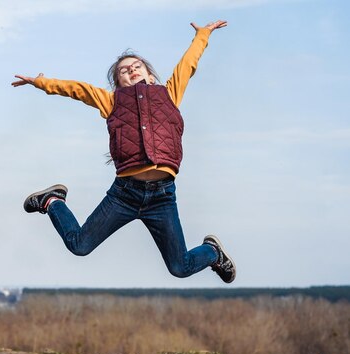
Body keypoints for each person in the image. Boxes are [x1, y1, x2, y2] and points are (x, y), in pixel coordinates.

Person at [12, 20, 236, 283]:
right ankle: (52, 201)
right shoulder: (111, 101)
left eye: (136, 66)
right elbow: (76, 90)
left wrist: (203, 34)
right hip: (125, 194)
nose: (131, 70)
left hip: (162, 198)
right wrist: (42, 82)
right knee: (79, 245)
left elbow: (188, 63)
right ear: (118, 83)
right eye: (124, 70)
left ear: (150, 75)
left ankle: (212, 252)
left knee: (180, 267)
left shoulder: (169, 93)